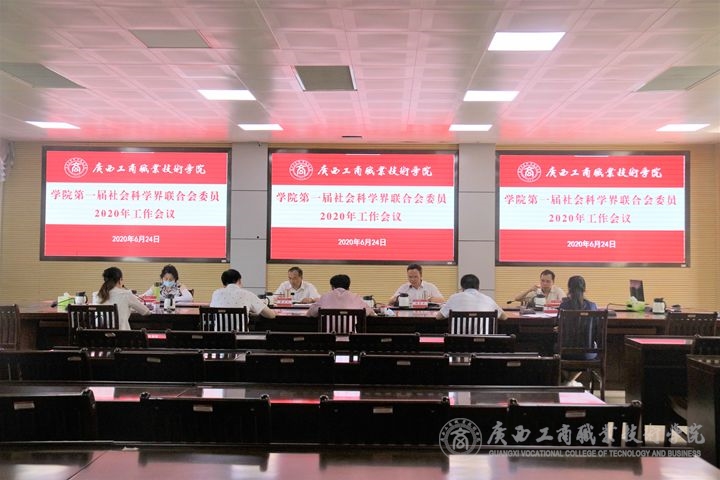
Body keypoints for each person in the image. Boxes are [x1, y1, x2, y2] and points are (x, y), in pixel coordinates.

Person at [436, 274, 507, 320]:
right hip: (483, 339)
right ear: (478, 288)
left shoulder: (454, 298)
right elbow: (504, 317)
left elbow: (438, 317)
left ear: (462, 288)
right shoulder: (488, 299)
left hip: (457, 338)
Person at [210, 269, 276, 318]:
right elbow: (271, 315)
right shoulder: (247, 294)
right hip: (240, 333)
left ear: (224, 284)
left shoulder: (216, 294)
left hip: (218, 333)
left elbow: (212, 312)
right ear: (239, 281)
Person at [306, 274, 376, 317]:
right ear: (348, 288)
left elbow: (310, 313)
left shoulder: (325, 297)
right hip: (351, 336)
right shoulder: (355, 297)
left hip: (328, 336)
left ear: (332, 287)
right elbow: (371, 313)